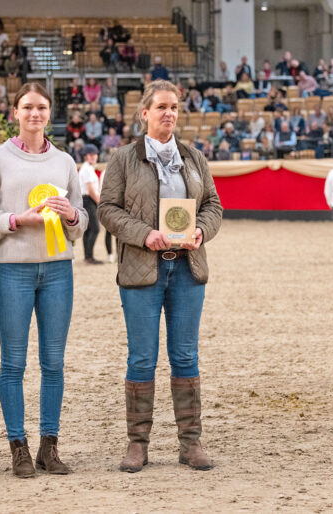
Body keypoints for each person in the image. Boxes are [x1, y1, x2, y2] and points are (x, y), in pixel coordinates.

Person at [98, 80, 223, 473]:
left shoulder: (194, 158)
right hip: (142, 267)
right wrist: (144, 234)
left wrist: (201, 229)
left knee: (185, 355)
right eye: (161, 107)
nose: (169, 113)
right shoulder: (123, 159)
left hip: (187, 267)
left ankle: (191, 443)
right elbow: (107, 209)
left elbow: (213, 204)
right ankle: (137, 444)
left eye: (174, 107)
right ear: (145, 113)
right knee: (142, 357)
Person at [0, 82, 87, 477]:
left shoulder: (65, 161)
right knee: (13, 362)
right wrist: (16, 219)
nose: (35, 114)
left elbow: (82, 221)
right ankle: (17, 446)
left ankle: (49, 447)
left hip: (58, 271)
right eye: (27, 107)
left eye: (41, 107)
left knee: (53, 362)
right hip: (14, 271)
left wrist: (72, 216)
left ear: (49, 113)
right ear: (15, 112)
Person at [79, 144, 101, 264]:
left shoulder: (88, 168)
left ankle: (88, 256)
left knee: (89, 230)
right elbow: (91, 189)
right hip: (88, 199)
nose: (93, 157)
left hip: (87, 200)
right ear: (86, 156)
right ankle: (89, 256)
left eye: (94, 154)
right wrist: (99, 202)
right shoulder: (87, 169)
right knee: (95, 229)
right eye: (90, 155)